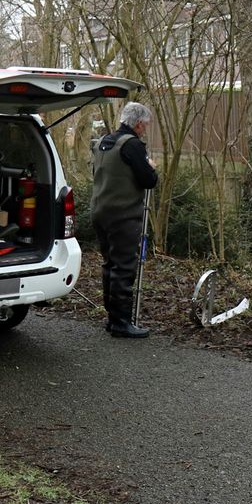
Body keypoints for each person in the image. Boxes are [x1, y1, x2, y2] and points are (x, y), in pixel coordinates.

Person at [91, 102, 159, 338]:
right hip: (123, 215)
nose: (145, 130)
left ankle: (112, 319)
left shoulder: (103, 142)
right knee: (123, 267)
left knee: (109, 264)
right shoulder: (132, 145)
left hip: (99, 211)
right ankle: (121, 323)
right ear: (138, 123)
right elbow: (148, 180)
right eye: (146, 125)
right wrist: (151, 167)